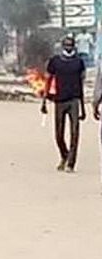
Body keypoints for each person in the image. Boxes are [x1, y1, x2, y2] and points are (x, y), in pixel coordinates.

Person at [42, 35, 86, 173]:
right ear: (62, 46)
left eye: (70, 45)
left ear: (74, 46)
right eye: (66, 45)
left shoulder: (79, 62)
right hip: (59, 100)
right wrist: (44, 100)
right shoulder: (55, 61)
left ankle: (71, 163)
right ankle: (64, 155)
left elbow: (81, 84)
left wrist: (83, 107)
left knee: (74, 133)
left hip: (74, 100)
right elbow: (48, 80)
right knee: (58, 134)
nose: (68, 48)